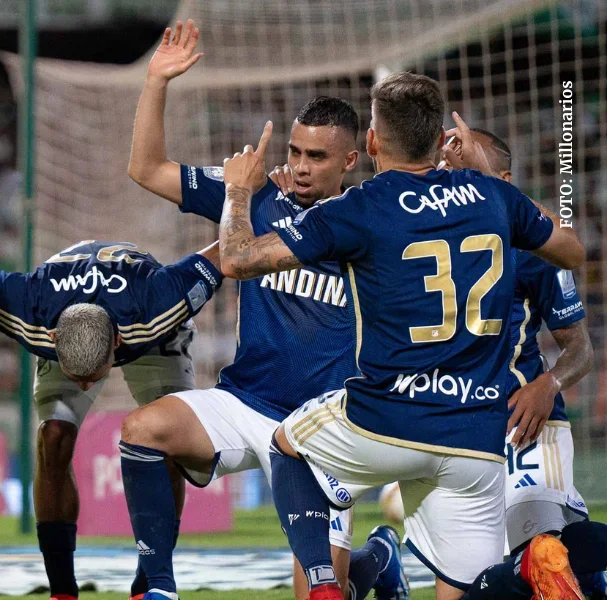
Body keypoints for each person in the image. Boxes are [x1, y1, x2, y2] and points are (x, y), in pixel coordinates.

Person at [214, 71, 585, 600]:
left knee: (287, 444)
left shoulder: (359, 206)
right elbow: (570, 249)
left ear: (370, 141)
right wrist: (497, 183)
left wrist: (236, 192)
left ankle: (323, 583)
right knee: (465, 587)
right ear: (439, 142)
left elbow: (237, 259)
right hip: (476, 437)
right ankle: (530, 570)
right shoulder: (492, 197)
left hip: (384, 420)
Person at [125, 19, 406, 600]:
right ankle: (157, 587)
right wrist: (156, 83)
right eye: (295, 152)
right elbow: (146, 169)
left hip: (325, 428)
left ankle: (377, 560)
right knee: (143, 429)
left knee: (322, 592)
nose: (300, 167)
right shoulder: (261, 196)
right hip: (247, 402)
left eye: (317, 157)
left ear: (352, 159)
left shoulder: (370, 219)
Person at [0, 239, 223, 600]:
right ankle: (62, 590)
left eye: (93, 376)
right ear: (51, 339)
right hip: (67, 310)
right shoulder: (28, 308)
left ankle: (150, 581)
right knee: (52, 437)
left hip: (146, 326)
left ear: (118, 342)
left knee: (168, 442)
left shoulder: (157, 308)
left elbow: (223, 252)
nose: (87, 386)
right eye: (77, 377)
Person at [438, 129, 607, 600]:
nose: (463, 190)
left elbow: (579, 349)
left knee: (537, 549)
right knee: (484, 579)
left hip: (524, 420)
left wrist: (548, 385)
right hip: (452, 425)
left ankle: (577, 557)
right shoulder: (420, 238)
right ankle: (594, 572)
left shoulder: (537, 245)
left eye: (475, 177)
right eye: (452, 176)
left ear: (505, 181)